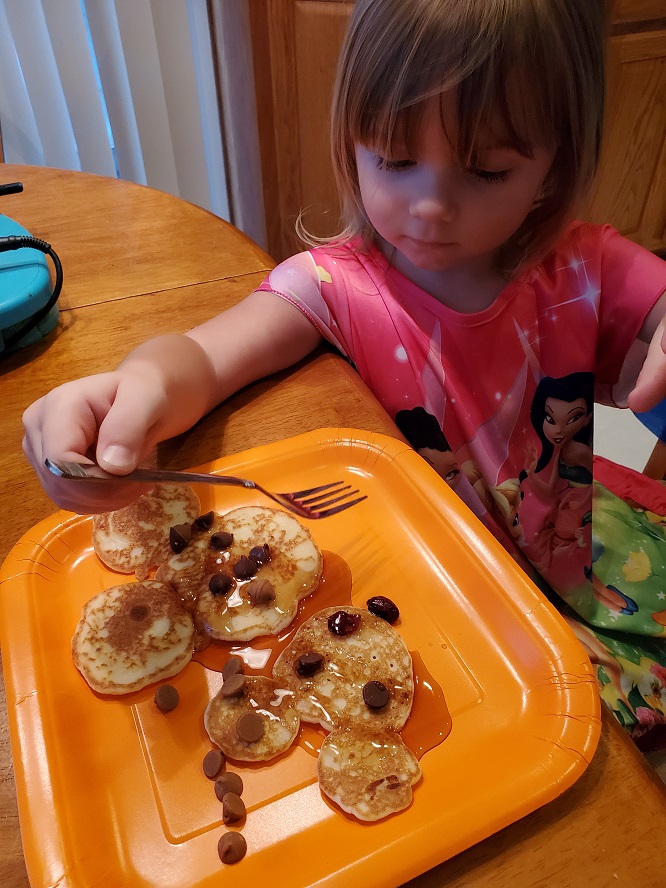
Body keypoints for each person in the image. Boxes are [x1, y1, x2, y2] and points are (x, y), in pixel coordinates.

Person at [22, 0, 666, 737]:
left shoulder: (586, 268)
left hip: (564, 567)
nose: (429, 206)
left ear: (558, 159)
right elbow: (199, 358)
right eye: (392, 158)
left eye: (487, 170)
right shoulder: (332, 288)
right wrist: (138, 387)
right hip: (431, 606)